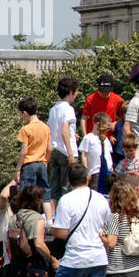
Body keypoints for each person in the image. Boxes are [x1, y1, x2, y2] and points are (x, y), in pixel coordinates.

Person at [47, 76, 81, 213]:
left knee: (54, 189)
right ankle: (65, 216)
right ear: (71, 92)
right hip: (66, 151)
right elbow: (64, 131)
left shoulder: (53, 109)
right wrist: (71, 154)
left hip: (54, 150)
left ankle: (52, 218)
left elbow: (51, 130)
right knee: (67, 188)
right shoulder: (68, 109)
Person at [15, 96, 51, 193]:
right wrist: (45, 162)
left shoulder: (25, 129)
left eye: (21, 114)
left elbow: (24, 152)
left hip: (29, 165)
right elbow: (50, 149)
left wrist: (18, 169)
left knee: (26, 194)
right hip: (42, 164)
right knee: (44, 195)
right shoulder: (46, 127)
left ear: (25, 113)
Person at [115, 126, 139, 207]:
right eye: (126, 151)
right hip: (127, 189)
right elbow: (117, 175)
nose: (129, 153)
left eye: (131, 151)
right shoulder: (123, 163)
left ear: (136, 148)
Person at [83, 73, 123, 143]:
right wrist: (85, 135)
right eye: (102, 91)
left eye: (107, 91)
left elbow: (122, 117)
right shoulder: (90, 99)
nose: (104, 93)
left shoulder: (118, 99)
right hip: (92, 136)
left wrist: (115, 123)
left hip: (109, 138)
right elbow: (84, 118)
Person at [79, 112, 114, 194]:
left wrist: (111, 167)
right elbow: (84, 155)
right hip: (95, 172)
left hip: (108, 171)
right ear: (98, 124)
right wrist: (86, 170)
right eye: (106, 126)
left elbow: (109, 154)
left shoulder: (105, 139)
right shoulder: (88, 138)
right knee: (96, 192)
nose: (106, 129)